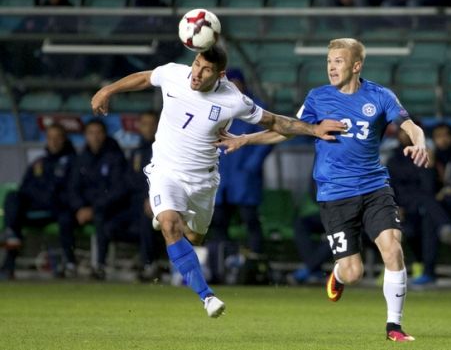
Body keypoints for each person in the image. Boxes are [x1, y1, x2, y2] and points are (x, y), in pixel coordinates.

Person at [90, 44, 346, 318]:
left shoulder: (233, 100)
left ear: (220, 74)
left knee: (194, 237)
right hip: (166, 171)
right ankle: (207, 296)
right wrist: (108, 90)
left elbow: (275, 122)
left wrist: (313, 129)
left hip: (203, 180)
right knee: (170, 225)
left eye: (206, 69)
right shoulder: (174, 74)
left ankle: (169, 216)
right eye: (196, 64)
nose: (197, 73)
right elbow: (144, 77)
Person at [216, 38, 429, 341]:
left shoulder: (380, 96)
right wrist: (245, 139)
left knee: (393, 247)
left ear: (356, 66)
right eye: (329, 61)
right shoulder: (318, 98)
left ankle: (393, 326)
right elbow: (287, 129)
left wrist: (419, 143)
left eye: (339, 61)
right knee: (353, 272)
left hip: (374, 187)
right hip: (335, 194)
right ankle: (339, 274)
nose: (331, 66)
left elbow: (410, 126)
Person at [207, 68, 273, 283]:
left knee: (250, 222)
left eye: (237, 82)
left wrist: (250, 166)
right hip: (223, 177)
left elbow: (268, 139)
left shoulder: (256, 107)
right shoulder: (217, 106)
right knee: (219, 224)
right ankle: (221, 268)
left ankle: (253, 269)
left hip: (244, 179)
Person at [0, 123, 77, 279]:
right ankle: (9, 259)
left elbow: (71, 190)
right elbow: (24, 187)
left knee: (65, 218)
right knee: (13, 198)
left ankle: (70, 263)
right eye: (50, 138)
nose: (53, 142)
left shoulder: (73, 161)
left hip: (58, 209)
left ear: (64, 139)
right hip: (37, 207)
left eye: (57, 138)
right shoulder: (39, 162)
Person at [387, 125, 451, 286]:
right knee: (411, 227)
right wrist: (394, 206)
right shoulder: (393, 159)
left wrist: (429, 168)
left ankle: (425, 268)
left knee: (427, 212)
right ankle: (445, 226)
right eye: (403, 131)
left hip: (421, 206)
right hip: (403, 206)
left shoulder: (427, 155)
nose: (406, 135)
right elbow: (389, 186)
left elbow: (429, 188)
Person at [69, 119, 131, 280]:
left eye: (98, 133)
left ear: (104, 135)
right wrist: (80, 207)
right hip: (83, 209)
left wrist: (94, 208)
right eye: (91, 133)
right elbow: (73, 187)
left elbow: (118, 190)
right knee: (63, 217)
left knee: (101, 218)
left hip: (107, 209)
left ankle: (99, 266)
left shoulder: (115, 157)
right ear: (85, 136)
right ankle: (69, 263)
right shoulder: (81, 158)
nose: (95, 137)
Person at [127, 111, 162, 280]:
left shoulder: (165, 149)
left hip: (160, 202)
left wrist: (152, 198)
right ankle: (100, 265)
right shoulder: (137, 152)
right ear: (139, 126)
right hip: (137, 202)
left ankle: (149, 264)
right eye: (144, 124)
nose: (148, 128)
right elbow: (132, 180)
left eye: (152, 123)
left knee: (146, 220)